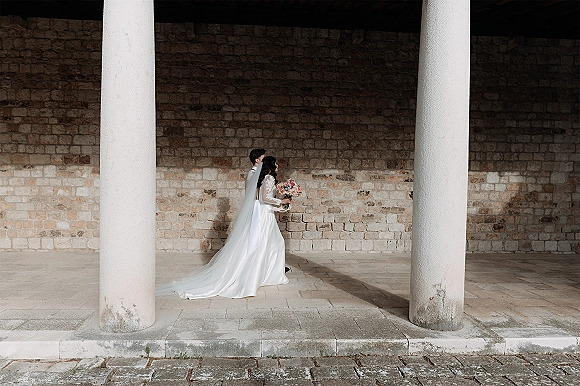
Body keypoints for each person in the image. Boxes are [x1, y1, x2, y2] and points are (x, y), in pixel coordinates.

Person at [162, 155, 290, 299]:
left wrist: (276, 207)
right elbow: (264, 198)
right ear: (271, 165)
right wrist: (281, 201)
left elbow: (259, 199)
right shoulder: (269, 178)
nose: (278, 165)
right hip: (264, 214)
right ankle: (263, 275)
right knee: (271, 243)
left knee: (268, 243)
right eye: (276, 163)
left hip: (262, 212)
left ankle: (264, 273)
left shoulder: (261, 177)